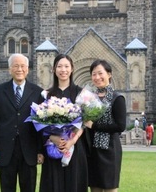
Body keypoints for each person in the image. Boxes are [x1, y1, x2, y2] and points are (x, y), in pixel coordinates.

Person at [0, 53, 44, 192]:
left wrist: (40, 150)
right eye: (16, 66)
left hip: (29, 151)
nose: (19, 69)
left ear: (28, 69)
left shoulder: (38, 92)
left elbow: (41, 125)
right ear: (9, 69)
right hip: (6, 150)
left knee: (29, 188)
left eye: (23, 66)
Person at [39, 54, 88, 192]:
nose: (63, 70)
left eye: (66, 66)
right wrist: (52, 137)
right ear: (54, 69)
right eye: (59, 66)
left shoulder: (81, 93)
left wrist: (72, 140)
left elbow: (85, 121)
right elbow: (39, 121)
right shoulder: (46, 94)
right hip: (53, 149)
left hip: (75, 148)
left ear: (72, 69)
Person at [83, 59, 126, 192]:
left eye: (100, 73)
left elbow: (120, 126)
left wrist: (94, 125)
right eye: (94, 74)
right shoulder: (89, 98)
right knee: (94, 188)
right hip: (92, 150)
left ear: (109, 74)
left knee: (110, 188)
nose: (97, 77)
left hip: (110, 151)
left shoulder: (117, 98)